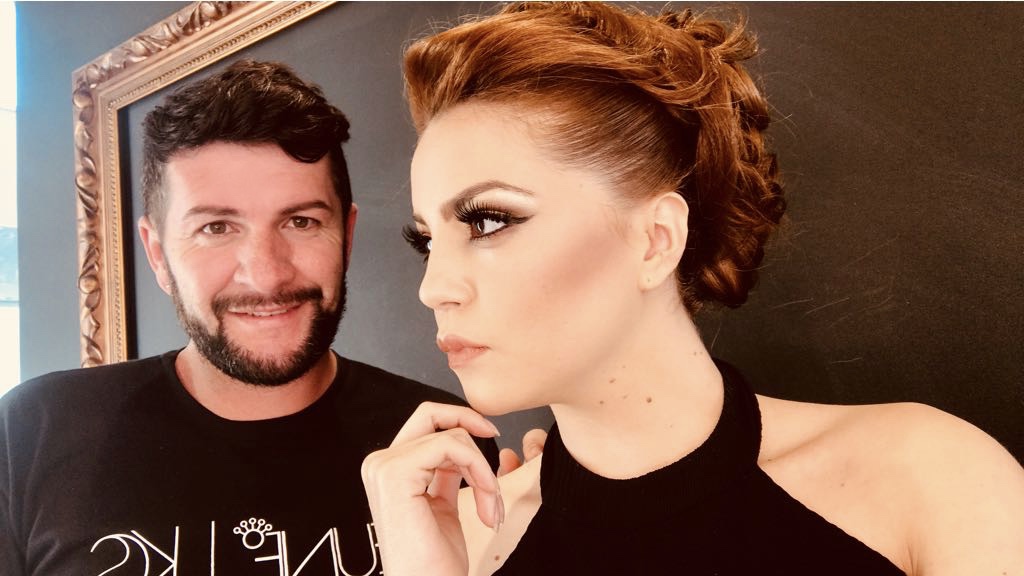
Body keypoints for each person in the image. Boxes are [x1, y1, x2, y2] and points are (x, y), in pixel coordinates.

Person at [360, 3, 1024, 575]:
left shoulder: (931, 480)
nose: (433, 289)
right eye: (427, 241)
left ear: (655, 240)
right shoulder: (467, 539)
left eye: (487, 221)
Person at [0, 59, 510, 575]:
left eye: (301, 221)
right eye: (216, 228)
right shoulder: (33, 433)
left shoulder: (444, 446)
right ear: (157, 253)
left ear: (346, 236)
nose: (266, 275)